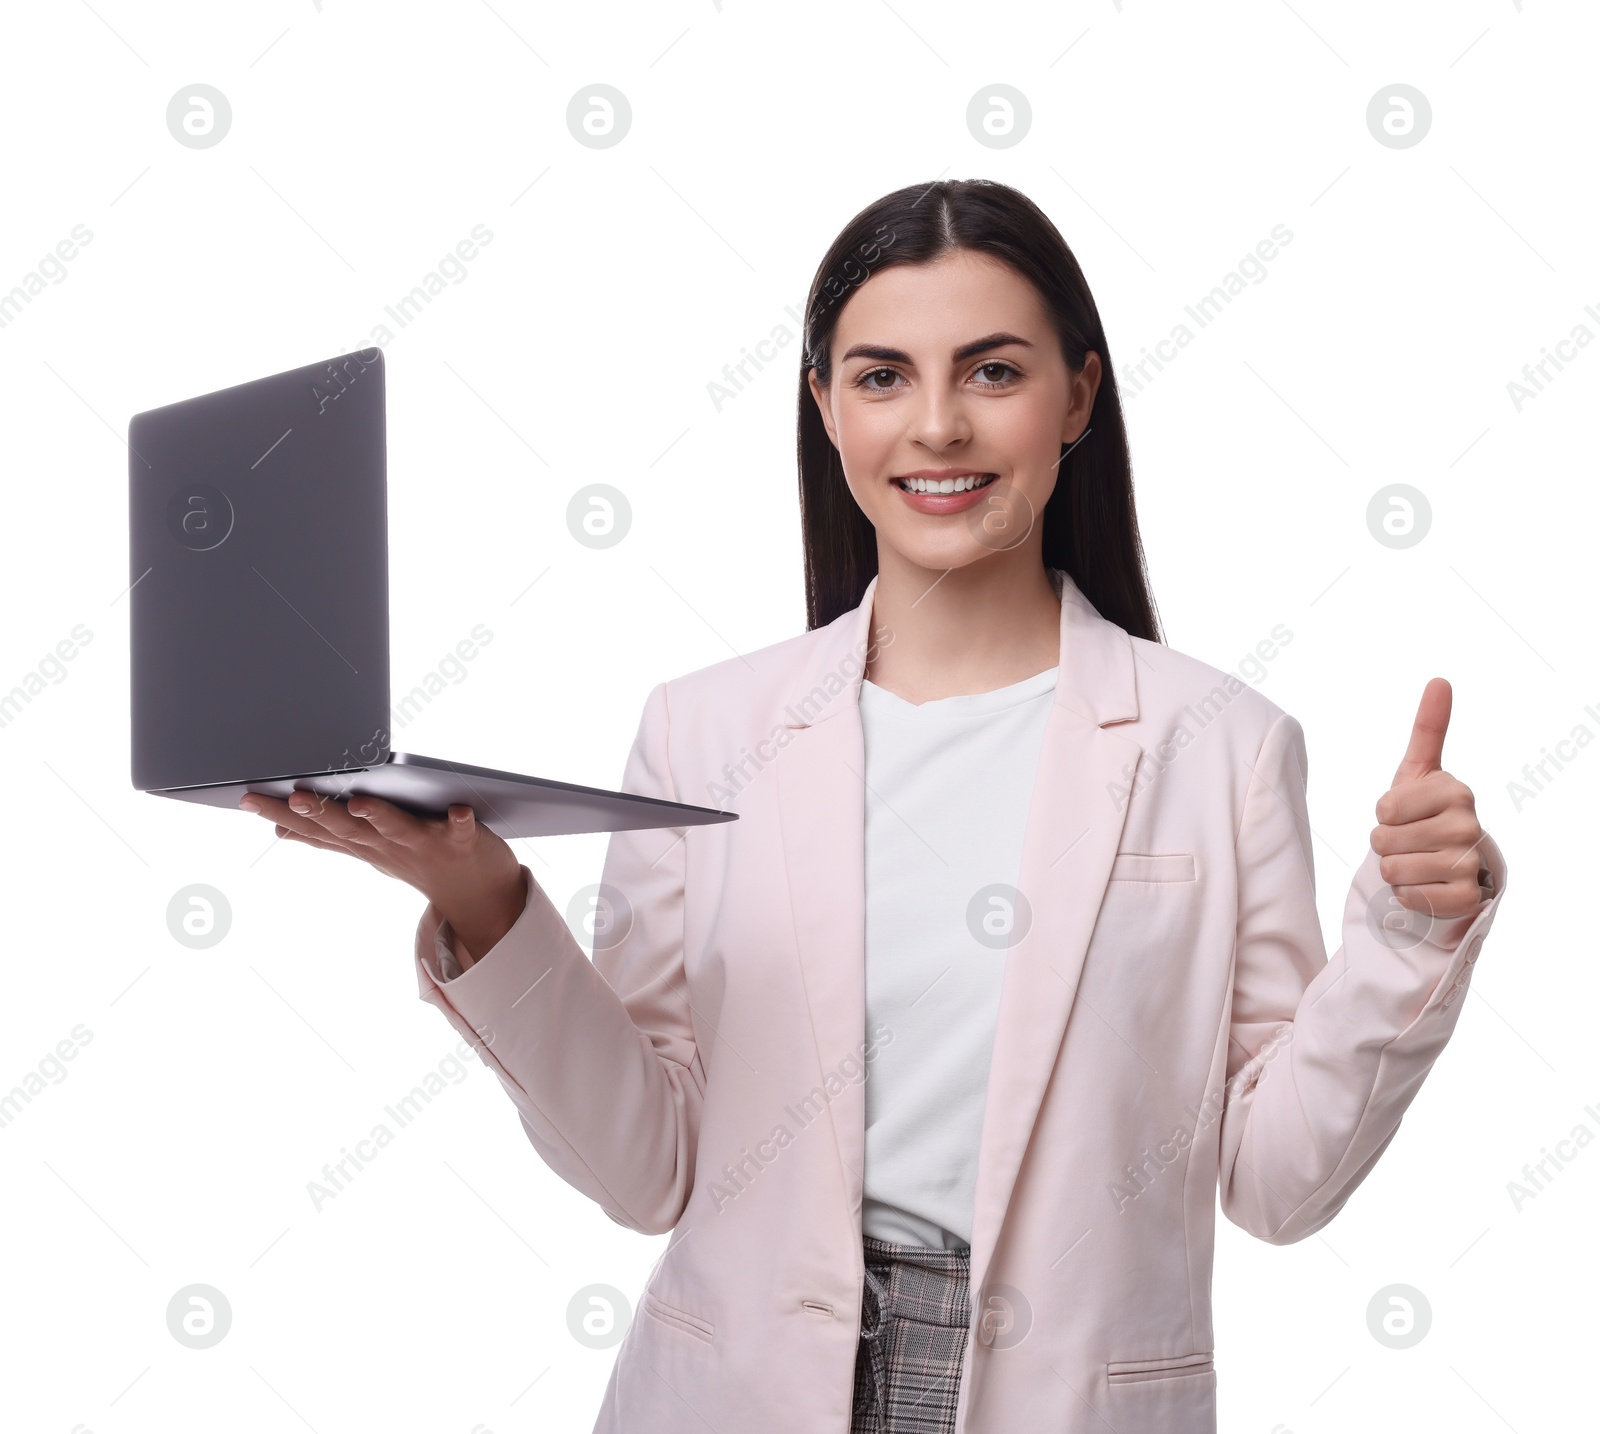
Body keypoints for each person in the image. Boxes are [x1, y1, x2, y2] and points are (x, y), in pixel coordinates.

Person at [240, 178, 1508, 1434]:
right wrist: (485, 904)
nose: (938, 426)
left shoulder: (1220, 745)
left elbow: (1276, 1182)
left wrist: (1406, 932)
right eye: (883, 375)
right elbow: (647, 1170)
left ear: (1078, 395)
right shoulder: (705, 732)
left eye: (994, 373)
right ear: (825, 409)